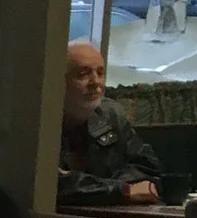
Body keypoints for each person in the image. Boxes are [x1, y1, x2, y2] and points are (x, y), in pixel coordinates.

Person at [56, 39, 163, 209]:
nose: (95, 82)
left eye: (100, 73)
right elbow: (55, 184)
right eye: (83, 74)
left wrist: (111, 189)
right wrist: (122, 191)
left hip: (108, 215)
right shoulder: (38, 121)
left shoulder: (110, 115)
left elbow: (146, 166)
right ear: (58, 81)